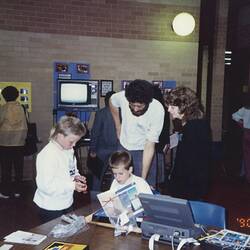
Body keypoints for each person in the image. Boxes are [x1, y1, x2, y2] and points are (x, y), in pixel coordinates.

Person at [109, 79, 165, 187]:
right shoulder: (122, 97)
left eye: (139, 106)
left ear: (148, 102)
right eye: (132, 105)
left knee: (145, 188)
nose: (135, 109)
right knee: (120, 185)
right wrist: (118, 125)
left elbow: (150, 146)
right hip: (124, 145)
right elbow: (112, 102)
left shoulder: (157, 110)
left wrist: (142, 180)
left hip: (144, 148)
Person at [33, 115, 88, 223]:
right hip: (50, 206)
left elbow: (71, 169)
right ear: (59, 135)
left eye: (76, 142)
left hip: (66, 202)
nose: (74, 145)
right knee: (53, 237)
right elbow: (46, 186)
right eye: (72, 141)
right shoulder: (48, 155)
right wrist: (72, 185)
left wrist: (76, 176)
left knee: (67, 234)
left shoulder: (68, 149)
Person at [165, 86, 212, 200]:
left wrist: (174, 187)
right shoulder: (192, 123)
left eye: (172, 107)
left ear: (183, 107)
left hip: (190, 188)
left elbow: (190, 164)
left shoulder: (194, 127)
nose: (169, 110)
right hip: (190, 185)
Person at [0, 86, 28, 198]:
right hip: (19, 142)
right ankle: (18, 191)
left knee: (5, 169)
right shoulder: (22, 108)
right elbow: (27, 122)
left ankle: (5, 192)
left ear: (4, 96)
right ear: (17, 95)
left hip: (4, 142)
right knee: (18, 167)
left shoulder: (3, 108)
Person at [89, 91, 118, 191]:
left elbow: (95, 132)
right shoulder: (121, 113)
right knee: (116, 176)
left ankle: (94, 199)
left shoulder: (100, 113)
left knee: (97, 175)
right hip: (117, 149)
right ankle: (114, 196)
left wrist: (92, 149)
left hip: (102, 149)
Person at [232, 93, 250, 183]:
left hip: (247, 132)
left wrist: (241, 123)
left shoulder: (245, 109)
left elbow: (234, 116)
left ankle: (247, 176)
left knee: (247, 156)